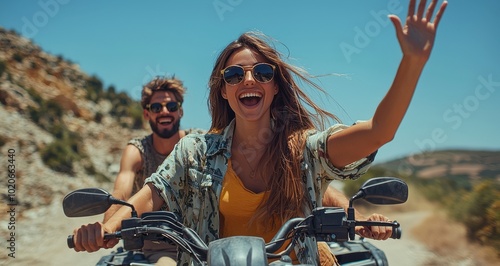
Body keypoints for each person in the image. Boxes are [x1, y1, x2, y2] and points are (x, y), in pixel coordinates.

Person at [72, 0, 447, 265]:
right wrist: (105, 230)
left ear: (274, 86)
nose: (248, 80)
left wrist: (412, 62)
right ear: (224, 90)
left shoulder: (305, 150)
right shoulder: (195, 151)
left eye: (262, 73)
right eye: (235, 75)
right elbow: (148, 195)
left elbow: (380, 131)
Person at [103, 76, 205, 265]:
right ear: (146, 114)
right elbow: (120, 193)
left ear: (180, 111)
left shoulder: (199, 142)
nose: (165, 112)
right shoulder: (138, 150)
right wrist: (106, 228)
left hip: (204, 243)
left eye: (172, 106)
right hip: (162, 248)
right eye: (156, 108)